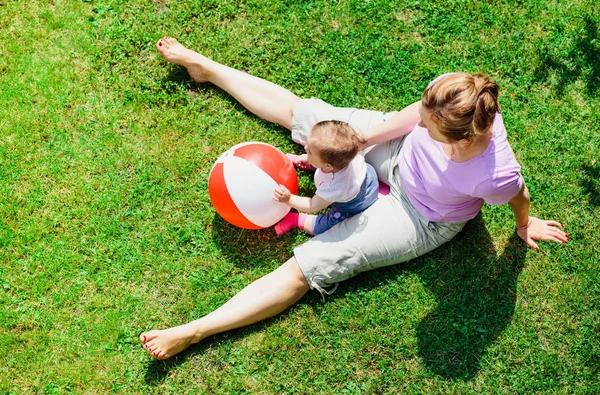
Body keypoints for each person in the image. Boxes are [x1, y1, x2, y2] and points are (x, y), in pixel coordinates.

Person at [139, 37, 569, 360]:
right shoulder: (453, 94)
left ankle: (195, 330)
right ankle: (206, 67)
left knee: (306, 267)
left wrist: (524, 224)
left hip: (420, 215)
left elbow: (519, 195)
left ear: (458, 139)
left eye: (430, 125)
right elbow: (409, 122)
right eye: (425, 112)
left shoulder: (492, 174)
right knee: (306, 116)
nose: (423, 119)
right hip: (396, 151)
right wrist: (354, 143)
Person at [273, 120, 379, 236]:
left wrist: (289, 199)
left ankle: (297, 220)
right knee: (323, 160)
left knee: (327, 226)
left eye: (310, 152)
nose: (305, 148)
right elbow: (327, 162)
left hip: (357, 203)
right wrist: (308, 158)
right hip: (367, 176)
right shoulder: (345, 154)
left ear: (327, 166)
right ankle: (310, 163)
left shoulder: (333, 186)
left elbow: (312, 205)